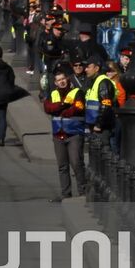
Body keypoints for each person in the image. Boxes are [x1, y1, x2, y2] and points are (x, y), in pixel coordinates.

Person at [43, 67, 87, 198]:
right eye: (58, 80)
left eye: (63, 79)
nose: (61, 82)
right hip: (58, 135)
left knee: (76, 163)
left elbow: (79, 106)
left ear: (67, 79)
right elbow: (47, 107)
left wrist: (64, 112)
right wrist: (64, 105)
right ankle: (66, 194)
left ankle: (83, 191)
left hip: (74, 133)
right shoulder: (53, 94)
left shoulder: (77, 92)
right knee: (62, 166)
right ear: (55, 83)